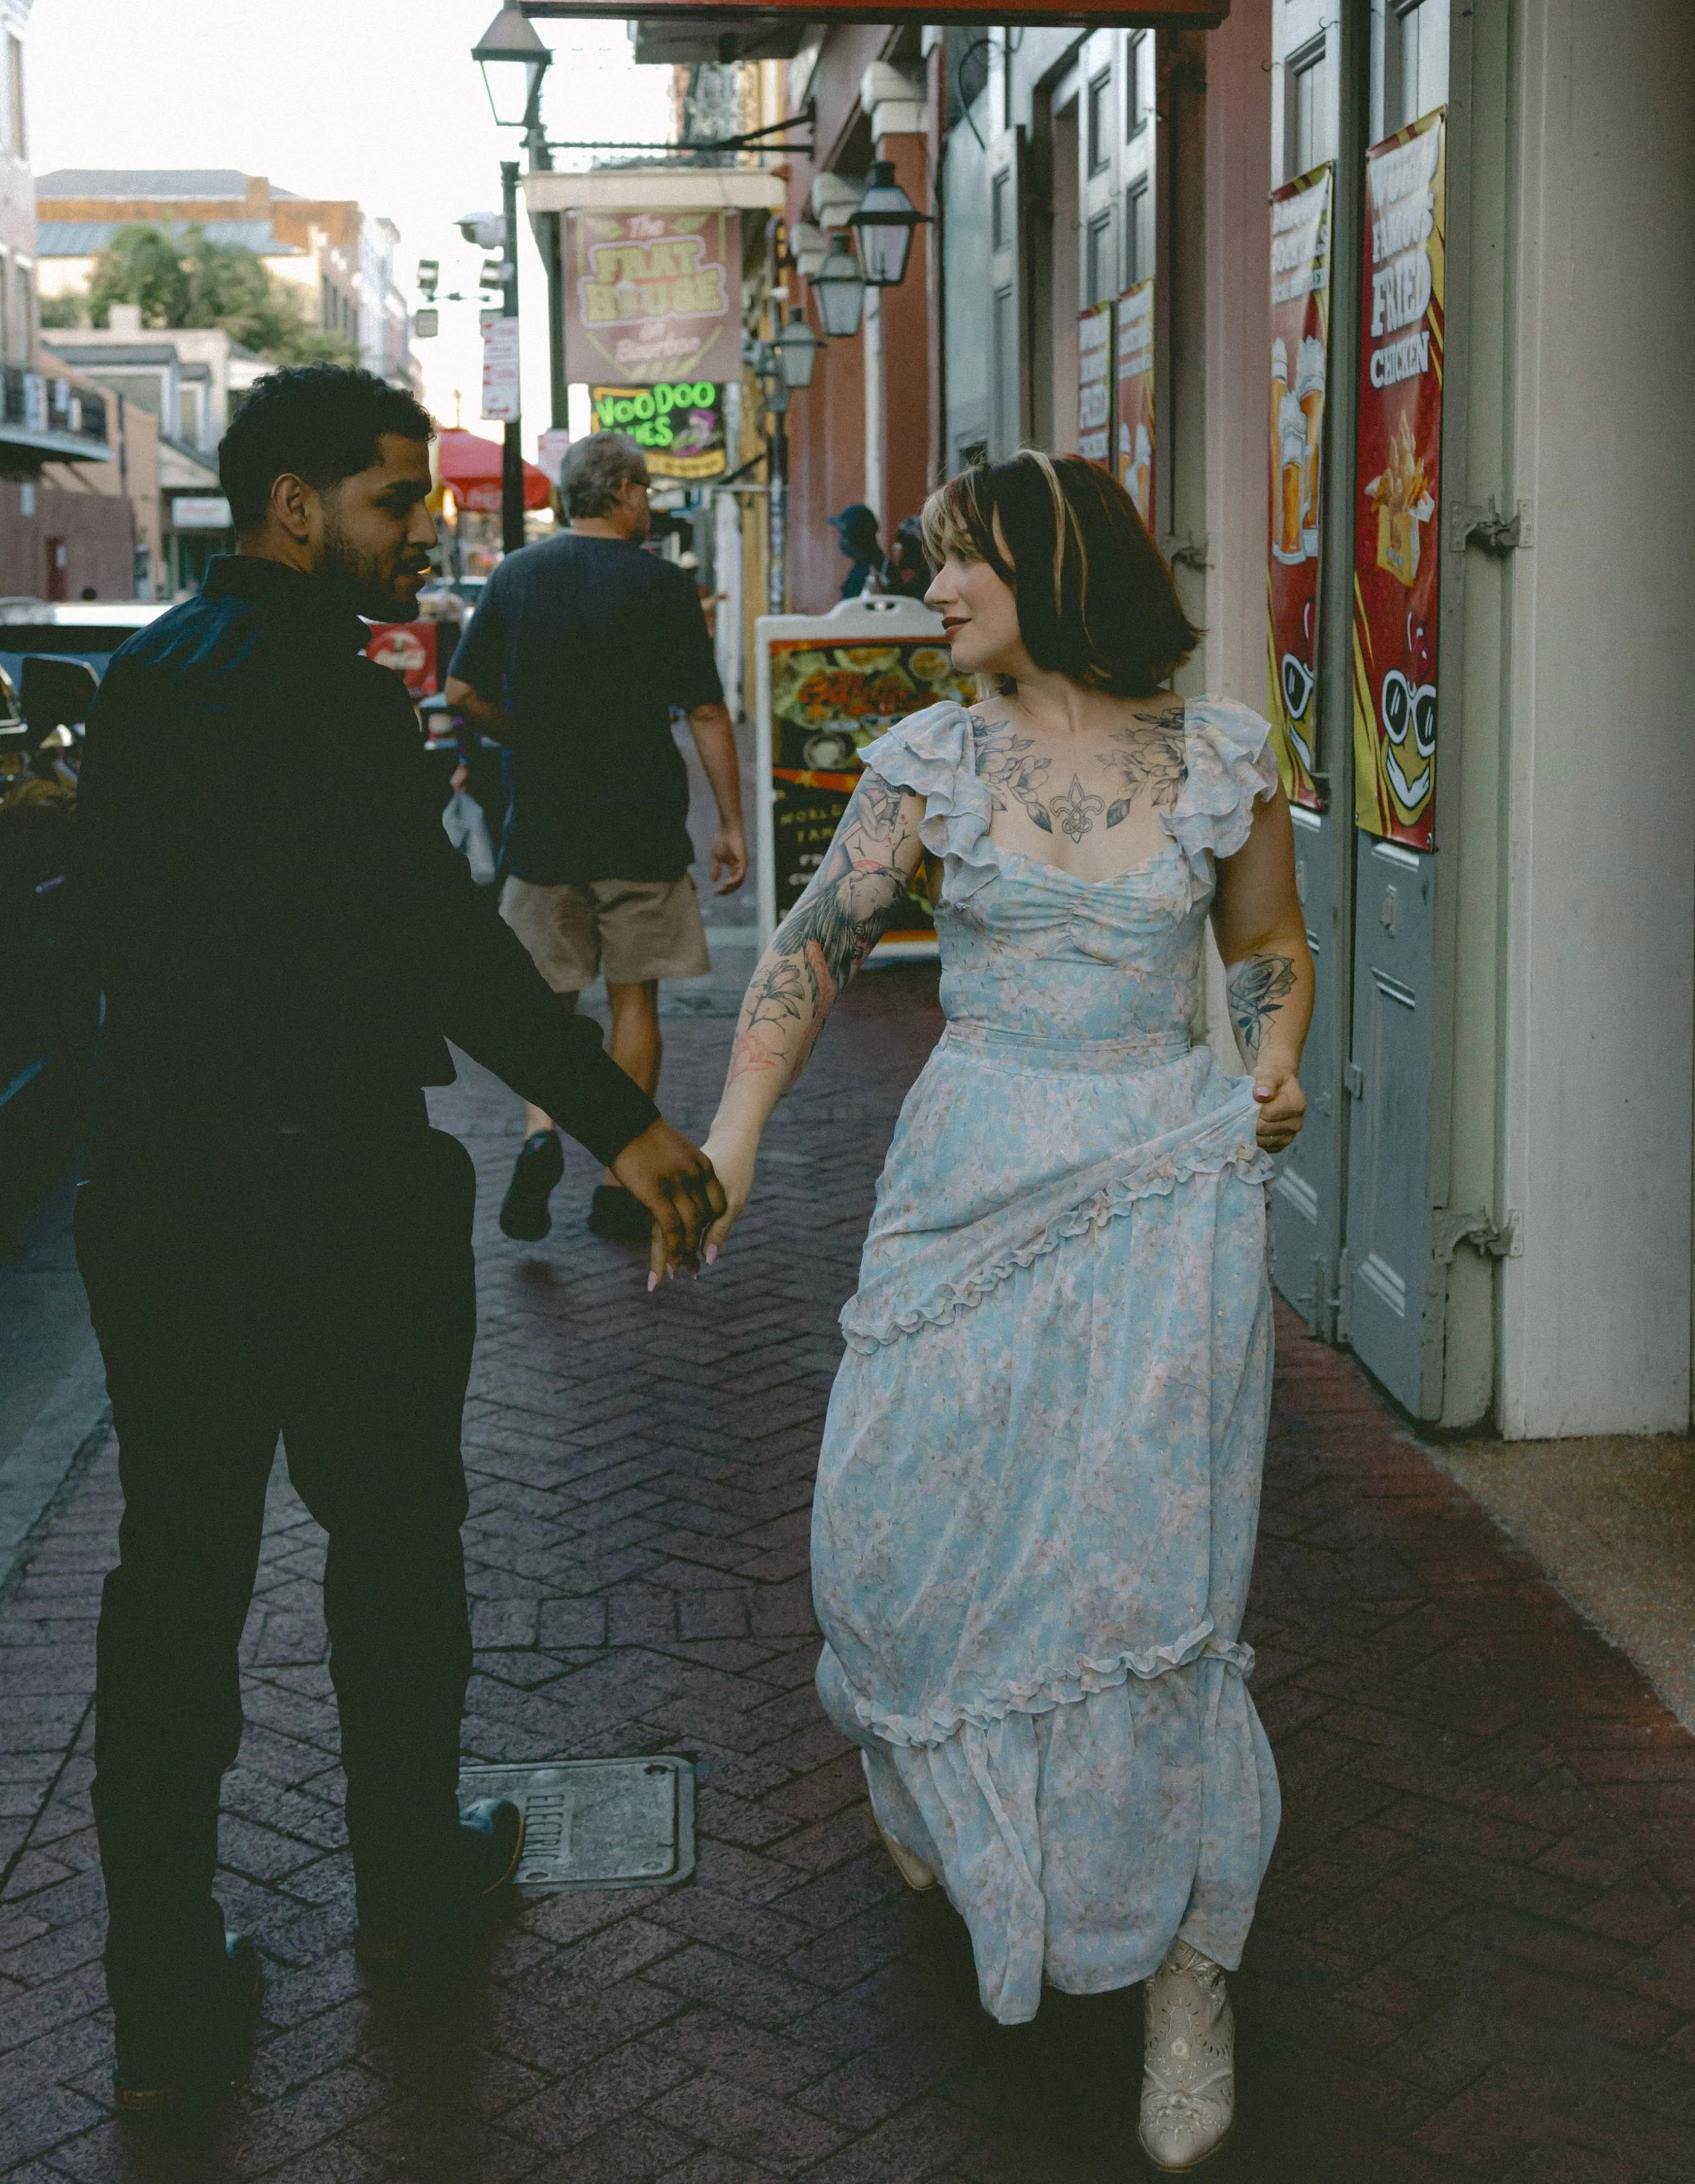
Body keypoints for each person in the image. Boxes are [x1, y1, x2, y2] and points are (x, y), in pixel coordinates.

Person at [72, 369, 722, 2121]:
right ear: (295, 506)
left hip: (160, 1191)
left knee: (178, 1578)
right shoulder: (336, 703)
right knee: (396, 1542)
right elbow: (442, 950)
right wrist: (628, 1119)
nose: (418, 526)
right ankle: (409, 1883)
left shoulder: (140, 678)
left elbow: (112, 933)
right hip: (336, 1189)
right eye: (388, 499)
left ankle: (160, 1982)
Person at [699, 451, 1311, 2174]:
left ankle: (1188, 1972)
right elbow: (813, 945)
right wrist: (733, 1137)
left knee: (1145, 1572)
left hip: (1161, 1194)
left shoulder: (1220, 758)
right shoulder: (928, 762)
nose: (933, 588)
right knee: (897, 1527)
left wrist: (1270, 1052)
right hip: (969, 1174)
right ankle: (946, 1786)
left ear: (1052, 568)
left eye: (960, 562)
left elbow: (1271, 944)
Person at [446, 430, 748, 1247]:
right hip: (641, 826)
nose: (647, 503)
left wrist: (524, 737)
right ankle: (619, 1177)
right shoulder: (661, 586)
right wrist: (730, 821)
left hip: (542, 824)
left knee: (543, 1002)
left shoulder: (514, 575)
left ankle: (540, 1133)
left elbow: (462, 691)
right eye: (645, 489)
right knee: (632, 997)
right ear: (620, 492)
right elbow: (708, 712)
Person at [830, 500, 884, 599]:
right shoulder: (865, 566)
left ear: (855, 538)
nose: (841, 540)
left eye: (843, 534)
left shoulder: (873, 572)